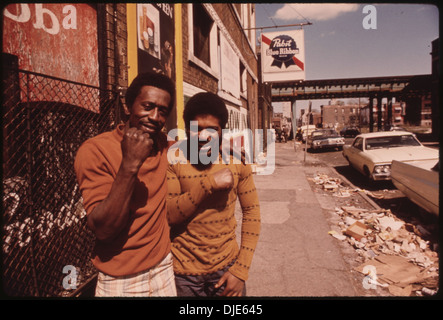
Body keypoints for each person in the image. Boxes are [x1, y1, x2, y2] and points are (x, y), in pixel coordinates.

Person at [74, 72, 177, 297]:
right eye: (148, 106)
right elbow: (103, 229)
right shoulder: (95, 150)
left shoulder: (164, 145)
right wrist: (130, 164)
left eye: (163, 111)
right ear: (129, 106)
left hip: (163, 267)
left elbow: (201, 149)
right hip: (121, 280)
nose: (154, 116)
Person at [166, 92, 261, 297]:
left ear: (222, 132)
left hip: (227, 268)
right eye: (196, 129)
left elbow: (252, 213)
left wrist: (241, 270)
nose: (203, 136)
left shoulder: (236, 160)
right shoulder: (174, 159)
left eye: (212, 130)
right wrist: (208, 184)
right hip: (183, 274)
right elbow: (169, 215)